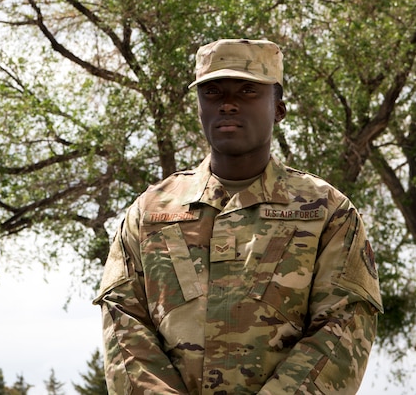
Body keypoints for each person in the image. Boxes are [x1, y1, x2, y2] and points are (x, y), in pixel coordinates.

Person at [94, 38, 383, 394]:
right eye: (212, 92)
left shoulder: (327, 212)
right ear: (198, 107)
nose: (228, 104)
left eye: (248, 91)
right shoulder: (150, 212)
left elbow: (341, 331)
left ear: (278, 109)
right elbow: (124, 327)